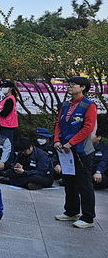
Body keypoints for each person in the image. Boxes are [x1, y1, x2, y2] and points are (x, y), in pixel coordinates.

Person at [53, 76, 98, 229]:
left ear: (83, 87)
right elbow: (59, 123)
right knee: (69, 181)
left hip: (82, 151)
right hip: (66, 151)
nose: (69, 86)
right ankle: (71, 211)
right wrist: (57, 140)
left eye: (73, 84)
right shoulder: (66, 104)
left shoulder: (89, 105)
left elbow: (88, 128)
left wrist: (71, 142)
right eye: (69, 84)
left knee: (84, 183)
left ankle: (88, 217)